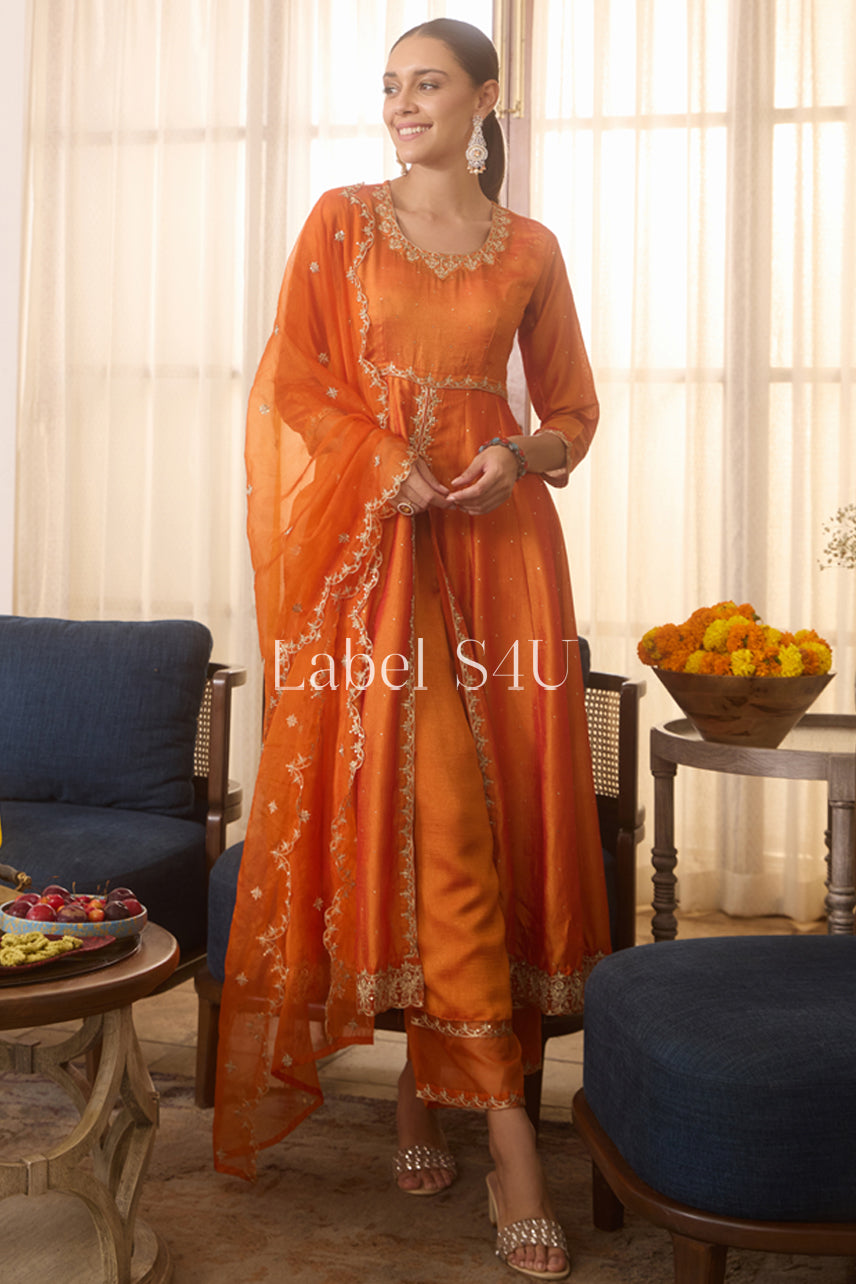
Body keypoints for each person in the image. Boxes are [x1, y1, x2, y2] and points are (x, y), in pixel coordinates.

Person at [215, 18, 611, 1281]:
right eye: (389, 86)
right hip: (383, 551)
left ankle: (418, 1094)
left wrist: (517, 454)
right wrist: (387, 458)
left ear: (485, 98)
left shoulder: (530, 249)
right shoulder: (341, 222)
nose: (401, 104)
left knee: (506, 826)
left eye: (427, 84)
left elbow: (573, 411)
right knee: (435, 818)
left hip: (503, 556)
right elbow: (293, 379)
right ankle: (512, 1146)